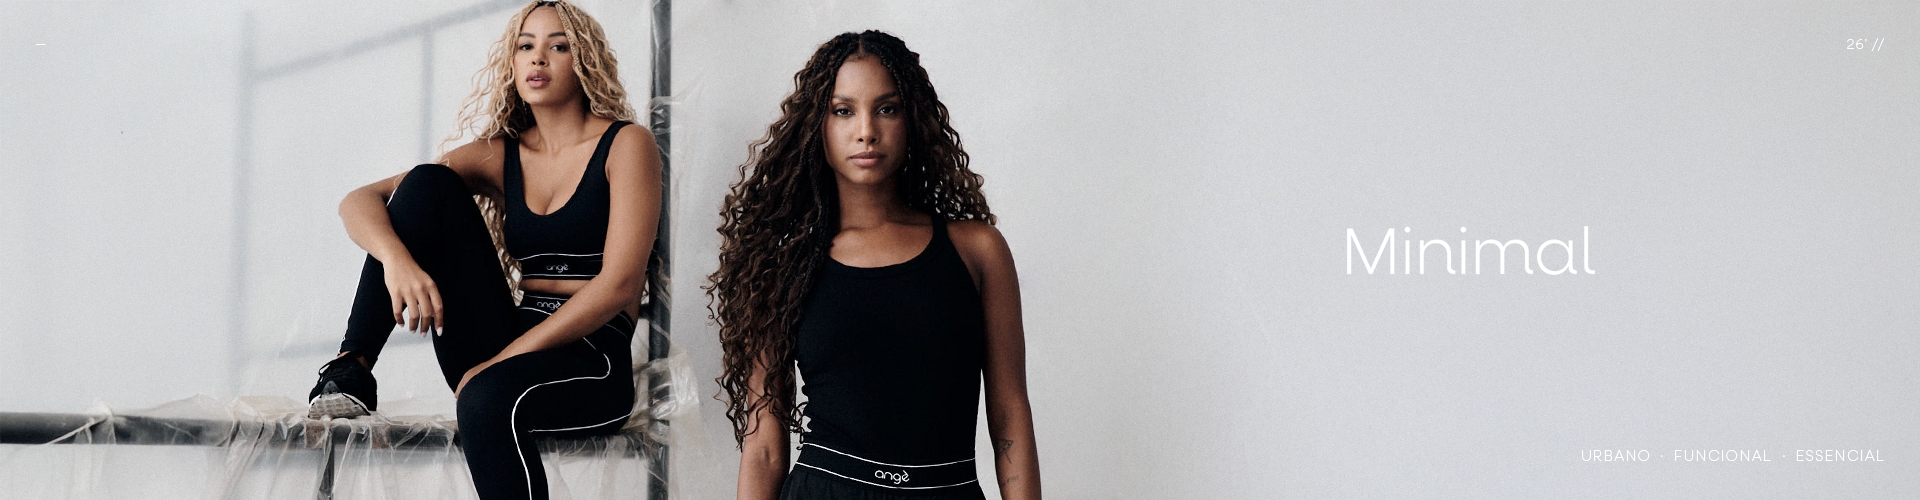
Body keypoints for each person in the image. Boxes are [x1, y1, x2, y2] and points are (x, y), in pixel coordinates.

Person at [302, 2, 660, 499]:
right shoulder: (503, 154)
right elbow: (358, 200)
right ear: (512, 62)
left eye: (558, 46)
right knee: (427, 184)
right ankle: (352, 368)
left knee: (486, 396)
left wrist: (503, 361)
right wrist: (398, 262)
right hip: (507, 336)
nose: (538, 58)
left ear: (585, 61)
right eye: (526, 46)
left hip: (591, 356)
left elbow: (619, 284)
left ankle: (487, 382)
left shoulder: (626, 144)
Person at [708, 31, 1042, 500]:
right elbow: (764, 445)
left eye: (886, 109)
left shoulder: (977, 251)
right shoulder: (782, 263)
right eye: (843, 111)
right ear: (816, 125)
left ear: (913, 119)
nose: (866, 130)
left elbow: (1009, 412)